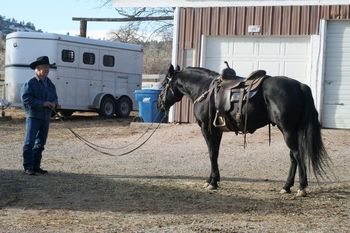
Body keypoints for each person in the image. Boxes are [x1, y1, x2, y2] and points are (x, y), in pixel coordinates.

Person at [21, 56, 58, 175]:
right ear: (37, 69)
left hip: (46, 117)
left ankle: (36, 166)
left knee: (41, 143)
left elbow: (55, 98)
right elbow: (26, 99)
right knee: (29, 142)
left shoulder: (50, 84)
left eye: (48, 67)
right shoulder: (30, 83)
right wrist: (43, 103)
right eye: (44, 67)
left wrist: (54, 103)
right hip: (33, 116)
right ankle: (28, 167)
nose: (47, 70)